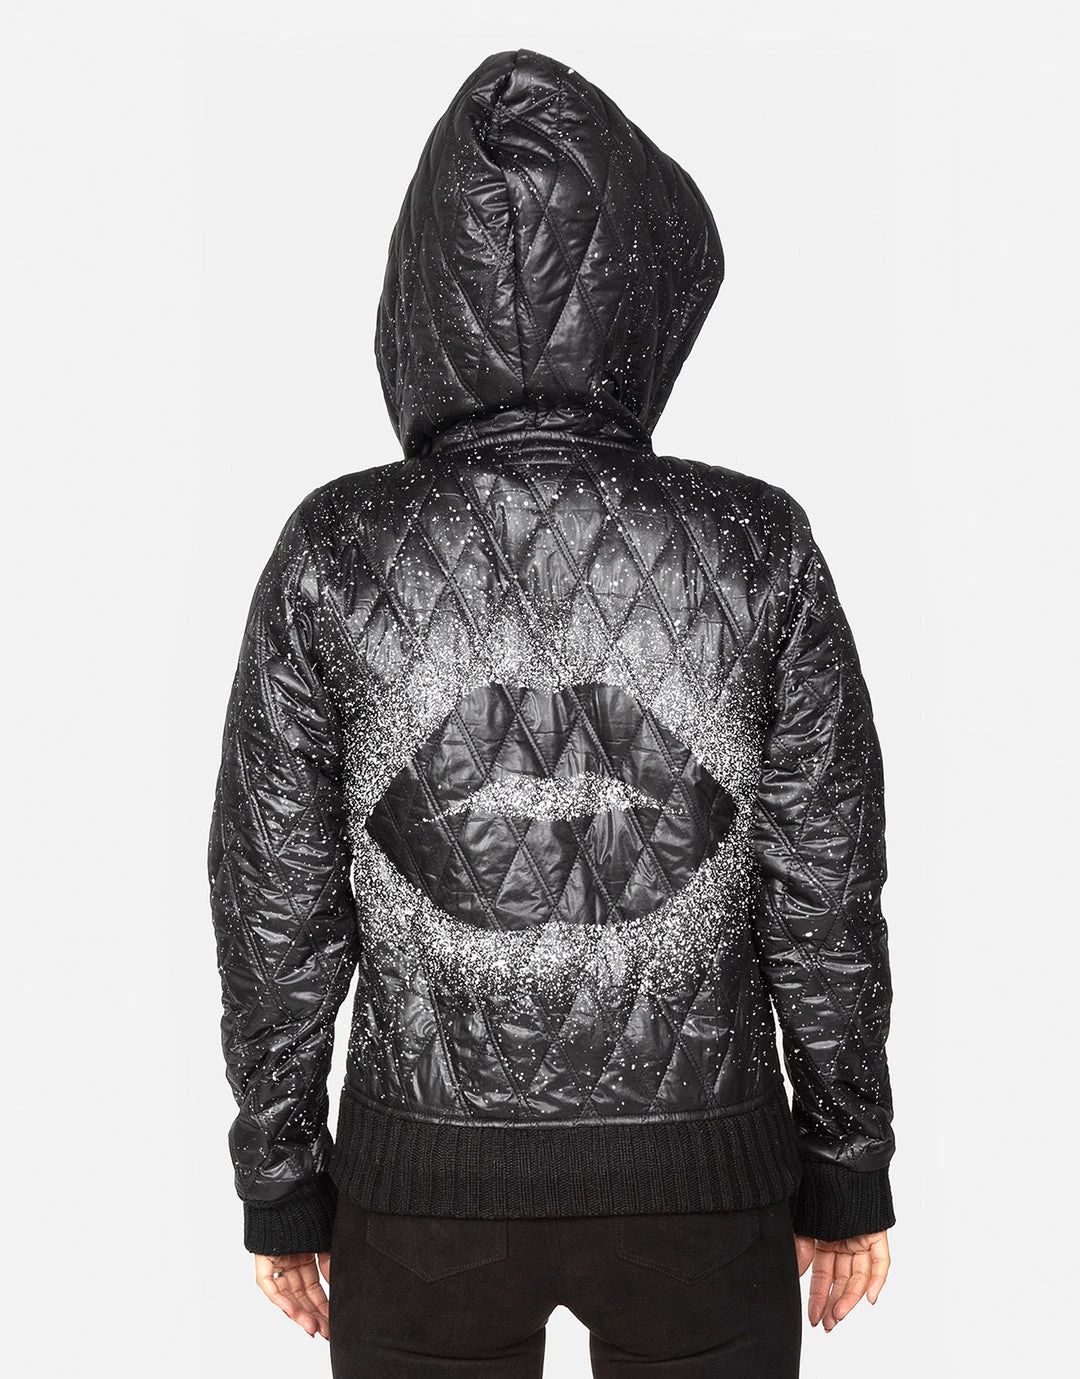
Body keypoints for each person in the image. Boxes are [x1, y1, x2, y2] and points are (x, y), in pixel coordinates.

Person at [208, 47, 895, 1378]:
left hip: (424, 1193)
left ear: (420, 294)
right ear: (645, 289)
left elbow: (276, 896)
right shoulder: (756, 542)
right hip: (704, 1189)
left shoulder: (334, 546)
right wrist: (845, 1158)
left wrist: (281, 1175)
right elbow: (823, 881)